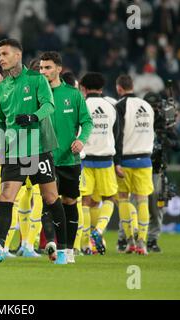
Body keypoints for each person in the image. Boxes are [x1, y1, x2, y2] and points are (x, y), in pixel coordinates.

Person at [0, 39, 68, 264]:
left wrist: (33, 117)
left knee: (50, 197)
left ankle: (64, 249)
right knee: (6, 196)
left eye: (5, 53)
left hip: (39, 147)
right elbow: (1, 123)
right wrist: (2, 150)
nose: (0, 57)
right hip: (15, 148)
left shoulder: (36, 79)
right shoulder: (1, 89)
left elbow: (49, 105)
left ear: (17, 56)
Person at [39, 51, 93, 263]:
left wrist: (81, 140)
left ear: (59, 69)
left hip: (69, 160)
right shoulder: (36, 94)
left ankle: (69, 249)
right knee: (48, 201)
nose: (43, 72)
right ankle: (53, 243)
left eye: (48, 68)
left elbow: (87, 122)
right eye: (41, 68)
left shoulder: (73, 95)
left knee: (70, 203)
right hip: (45, 158)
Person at [79, 72, 119, 255]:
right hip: (105, 159)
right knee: (109, 198)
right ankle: (99, 230)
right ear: (101, 88)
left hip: (85, 160)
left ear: (84, 89)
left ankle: (86, 244)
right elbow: (117, 133)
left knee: (86, 202)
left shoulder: (82, 105)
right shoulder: (110, 106)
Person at [115, 74, 155, 255]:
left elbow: (118, 135)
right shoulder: (147, 106)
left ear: (119, 88)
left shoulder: (120, 106)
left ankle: (130, 241)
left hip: (126, 160)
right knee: (143, 201)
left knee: (123, 198)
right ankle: (143, 243)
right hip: (145, 160)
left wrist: (117, 161)